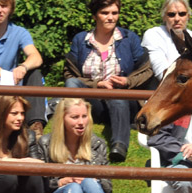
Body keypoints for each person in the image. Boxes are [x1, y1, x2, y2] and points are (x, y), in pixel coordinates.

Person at [64, 0, 153, 163]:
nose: (111, 17)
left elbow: (147, 71)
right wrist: (97, 84)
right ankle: (68, 138)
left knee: (117, 95)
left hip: (124, 102)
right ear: (94, 16)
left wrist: (127, 81)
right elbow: (70, 74)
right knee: (72, 85)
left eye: (114, 13)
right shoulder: (81, 40)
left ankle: (119, 145)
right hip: (93, 103)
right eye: (105, 13)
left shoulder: (129, 38)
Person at [0, 0, 46, 138]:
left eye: (4, 6)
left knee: (34, 73)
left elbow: (36, 56)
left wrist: (23, 67)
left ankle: (35, 126)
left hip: (10, 88)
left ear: (10, 9)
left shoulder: (19, 32)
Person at [142, 0, 192, 82]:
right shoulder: (154, 35)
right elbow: (162, 74)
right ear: (164, 17)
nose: (177, 18)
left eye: (182, 14)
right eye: (171, 14)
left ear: (188, 16)